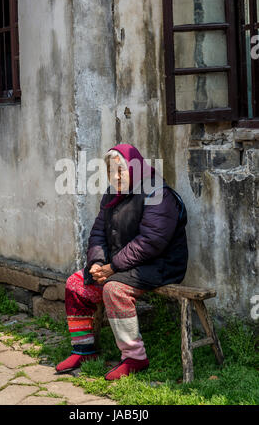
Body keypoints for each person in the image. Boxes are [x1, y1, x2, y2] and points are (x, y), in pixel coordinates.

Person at [55, 144, 188, 380]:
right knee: (76, 284)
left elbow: (151, 241)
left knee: (114, 289)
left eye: (121, 171)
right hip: (124, 264)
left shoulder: (156, 192)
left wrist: (113, 267)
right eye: (110, 171)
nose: (115, 177)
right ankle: (84, 350)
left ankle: (134, 357)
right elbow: (98, 232)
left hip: (160, 265)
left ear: (134, 169)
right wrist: (97, 262)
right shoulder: (112, 194)